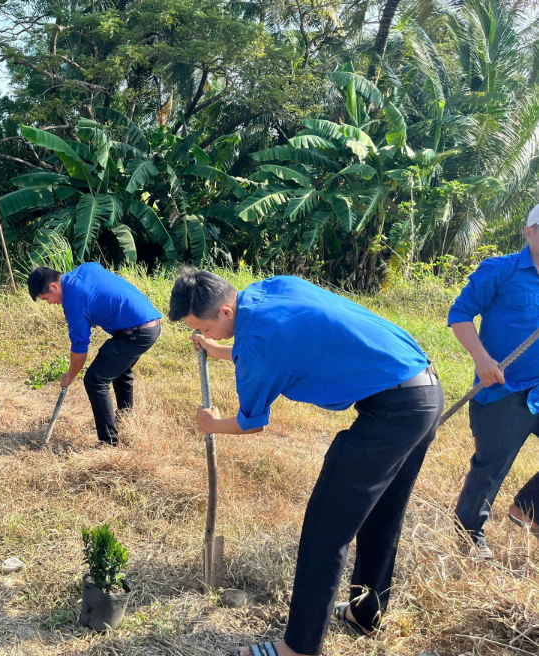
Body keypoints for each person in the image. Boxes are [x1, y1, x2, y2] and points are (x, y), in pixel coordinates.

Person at [168, 269, 442, 656]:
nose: (204, 335)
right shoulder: (269, 290)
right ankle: (366, 614)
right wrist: (221, 350)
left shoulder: (259, 339)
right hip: (423, 390)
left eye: (204, 328)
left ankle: (299, 647)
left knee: (325, 529)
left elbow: (251, 423)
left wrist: (211, 423)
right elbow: (288, 342)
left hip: (394, 413)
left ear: (226, 311)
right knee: (382, 514)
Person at [449, 205, 539, 559]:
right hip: (502, 389)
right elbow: (459, 314)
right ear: (528, 231)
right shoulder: (501, 270)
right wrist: (482, 359)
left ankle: (528, 507)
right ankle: (469, 535)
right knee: (490, 468)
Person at [27, 264, 161, 445]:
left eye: (46, 299)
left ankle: (108, 442)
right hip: (149, 323)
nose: (50, 303)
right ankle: (126, 420)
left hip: (137, 333)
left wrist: (69, 376)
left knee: (95, 379)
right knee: (118, 369)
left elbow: (80, 351)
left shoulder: (74, 300)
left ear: (54, 287)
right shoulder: (85, 269)